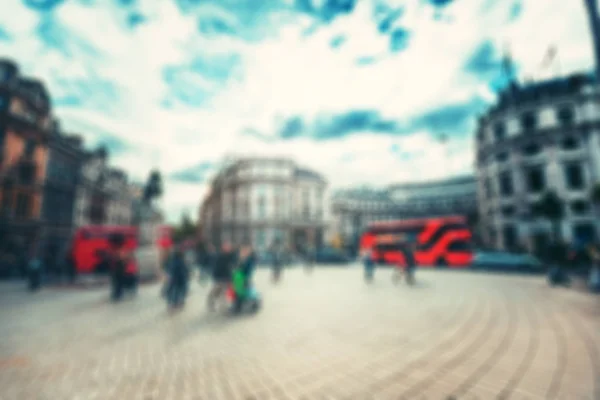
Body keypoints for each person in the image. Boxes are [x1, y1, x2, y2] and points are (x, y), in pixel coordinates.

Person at [207, 242, 235, 311]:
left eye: (229, 247)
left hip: (226, 278)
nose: (228, 248)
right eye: (227, 247)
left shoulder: (230, 256)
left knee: (224, 294)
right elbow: (217, 267)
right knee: (214, 293)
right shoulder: (220, 256)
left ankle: (223, 308)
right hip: (219, 278)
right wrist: (216, 276)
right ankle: (211, 305)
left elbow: (231, 267)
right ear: (223, 248)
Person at [232, 245, 257, 313]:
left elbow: (249, 270)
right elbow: (236, 268)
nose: (243, 253)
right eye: (242, 251)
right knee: (237, 292)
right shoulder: (240, 260)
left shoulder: (249, 260)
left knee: (243, 292)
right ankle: (237, 306)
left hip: (245, 278)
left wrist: (246, 277)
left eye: (245, 251)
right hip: (238, 278)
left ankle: (238, 307)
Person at [165, 243, 189, 308]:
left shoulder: (172, 261)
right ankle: (177, 302)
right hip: (180, 278)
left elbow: (170, 270)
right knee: (180, 291)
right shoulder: (181, 261)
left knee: (175, 291)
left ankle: (175, 302)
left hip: (176, 279)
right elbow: (185, 269)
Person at [108, 233, 130, 301]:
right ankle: (117, 293)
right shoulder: (118, 249)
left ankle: (117, 294)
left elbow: (123, 258)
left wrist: (117, 258)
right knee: (117, 281)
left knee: (118, 281)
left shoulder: (121, 249)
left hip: (119, 267)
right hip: (118, 267)